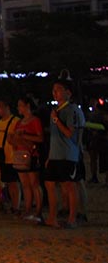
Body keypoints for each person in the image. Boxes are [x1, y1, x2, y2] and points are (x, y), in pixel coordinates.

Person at [45, 79, 85, 228]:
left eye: (58, 89)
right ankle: (52, 217)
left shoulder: (72, 110)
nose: (55, 93)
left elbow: (69, 133)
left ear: (68, 92)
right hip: (55, 155)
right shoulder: (56, 110)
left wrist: (56, 120)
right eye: (54, 90)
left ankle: (72, 219)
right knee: (49, 184)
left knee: (69, 186)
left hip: (68, 154)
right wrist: (49, 156)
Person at [12, 97, 44, 223]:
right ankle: (28, 209)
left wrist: (24, 136)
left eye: (20, 105)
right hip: (21, 155)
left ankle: (38, 211)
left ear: (27, 106)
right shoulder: (19, 123)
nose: (19, 108)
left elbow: (40, 138)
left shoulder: (35, 121)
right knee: (25, 184)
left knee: (34, 183)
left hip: (32, 154)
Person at [0, 100, 21, 214]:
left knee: (14, 182)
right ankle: (13, 205)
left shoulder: (15, 121)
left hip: (13, 156)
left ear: (7, 107)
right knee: (8, 182)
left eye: (0, 107)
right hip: (3, 157)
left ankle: (17, 206)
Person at [85, 99, 107, 183]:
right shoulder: (103, 117)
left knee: (94, 159)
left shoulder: (92, 116)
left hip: (95, 140)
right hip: (102, 140)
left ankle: (94, 177)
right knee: (103, 160)